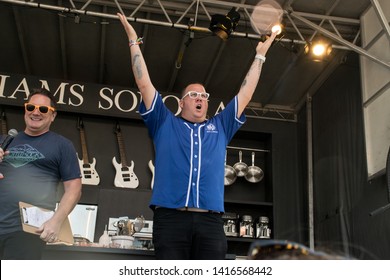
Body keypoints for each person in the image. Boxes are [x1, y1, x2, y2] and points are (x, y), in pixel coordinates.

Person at [117, 13, 277, 260]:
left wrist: (260, 55)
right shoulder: (164, 122)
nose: (201, 98)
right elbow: (144, 83)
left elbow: (245, 94)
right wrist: (132, 41)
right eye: (194, 95)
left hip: (210, 221)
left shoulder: (220, 126)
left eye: (204, 96)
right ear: (181, 103)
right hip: (170, 218)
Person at [0, 88, 82, 260]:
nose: (36, 112)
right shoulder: (4, 141)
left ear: (53, 116)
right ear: (25, 110)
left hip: (27, 231)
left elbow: (74, 190)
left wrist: (56, 221)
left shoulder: (62, 145)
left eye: (43, 109)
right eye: (31, 107)